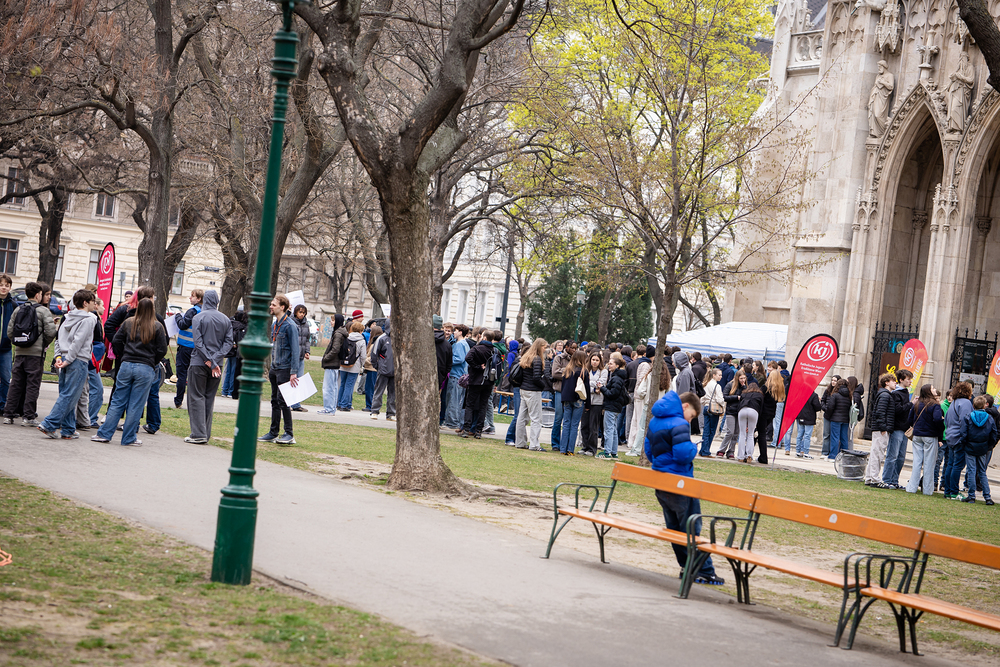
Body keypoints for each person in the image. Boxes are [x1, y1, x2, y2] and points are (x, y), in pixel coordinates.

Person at [647, 390, 724, 587]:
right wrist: (693, 448)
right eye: (691, 416)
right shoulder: (679, 424)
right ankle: (704, 570)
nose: (690, 420)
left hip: (661, 482)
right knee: (691, 527)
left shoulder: (655, 420)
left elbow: (648, 450)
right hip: (680, 483)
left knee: (674, 528)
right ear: (685, 406)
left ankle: (685, 565)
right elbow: (682, 455)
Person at [91, 298, 168, 446]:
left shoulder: (128, 323)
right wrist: (152, 361)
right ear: (152, 310)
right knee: (136, 404)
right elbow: (162, 349)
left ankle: (104, 434)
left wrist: (123, 354)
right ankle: (129, 437)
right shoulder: (157, 326)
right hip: (145, 367)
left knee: (117, 401)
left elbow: (116, 341)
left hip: (126, 364)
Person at [38, 290, 99, 439]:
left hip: (66, 358)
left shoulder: (67, 317)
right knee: (70, 395)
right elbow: (78, 342)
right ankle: (49, 424)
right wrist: (68, 360)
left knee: (68, 394)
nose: (95, 304)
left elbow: (59, 340)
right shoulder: (89, 319)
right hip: (77, 360)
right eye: (93, 301)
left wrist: (59, 357)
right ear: (85, 303)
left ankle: (68, 429)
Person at [3, 281, 56, 426]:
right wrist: (43, 343)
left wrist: (19, 343)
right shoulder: (43, 311)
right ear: (38, 295)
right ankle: (28, 417)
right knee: (32, 385)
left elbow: (10, 331)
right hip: (36, 354)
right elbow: (51, 332)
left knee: (15, 384)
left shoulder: (18, 309)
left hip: (19, 353)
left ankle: (8, 414)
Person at [185, 290, 233, 445]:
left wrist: (208, 359)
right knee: (209, 397)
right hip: (217, 364)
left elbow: (198, 342)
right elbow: (228, 343)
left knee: (196, 396)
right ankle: (205, 432)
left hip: (200, 361)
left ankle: (198, 433)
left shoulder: (198, 317)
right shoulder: (225, 319)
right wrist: (215, 360)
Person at [257, 296, 300, 445]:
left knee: (283, 401)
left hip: (285, 368)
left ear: (282, 307)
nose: (271, 306)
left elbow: (295, 350)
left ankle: (289, 433)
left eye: (273, 304)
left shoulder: (290, 325)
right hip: (275, 368)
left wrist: (293, 372)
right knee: (275, 401)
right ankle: (273, 432)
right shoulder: (276, 324)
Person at [905, 384, 944, 496]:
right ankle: (927, 490)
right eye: (932, 388)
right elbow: (937, 419)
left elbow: (910, 419)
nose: (935, 389)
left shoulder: (917, 403)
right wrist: (941, 428)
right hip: (930, 436)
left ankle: (912, 488)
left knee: (917, 462)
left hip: (917, 435)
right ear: (929, 391)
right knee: (929, 463)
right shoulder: (935, 405)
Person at [959, 395, 996, 504]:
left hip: (970, 446)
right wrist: (988, 446)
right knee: (982, 472)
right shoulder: (989, 418)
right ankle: (987, 496)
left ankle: (971, 495)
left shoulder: (968, 417)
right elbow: (993, 434)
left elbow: (963, 433)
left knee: (971, 471)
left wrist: (964, 444)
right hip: (982, 447)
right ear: (984, 406)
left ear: (973, 405)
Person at [460, 329, 496, 438]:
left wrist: (477, 367)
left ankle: (466, 429)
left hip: (475, 379)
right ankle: (479, 431)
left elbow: (468, 358)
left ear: (484, 337)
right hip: (489, 381)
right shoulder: (495, 350)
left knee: (470, 405)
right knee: (483, 406)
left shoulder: (477, 348)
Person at [881, 369, 914, 487]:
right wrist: (911, 404)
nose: (910, 381)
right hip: (897, 428)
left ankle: (894, 481)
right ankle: (886, 480)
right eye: (908, 379)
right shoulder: (896, 393)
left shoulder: (905, 392)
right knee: (892, 455)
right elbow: (898, 410)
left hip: (904, 428)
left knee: (901, 457)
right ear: (901, 380)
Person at [514, 338, 547, 451]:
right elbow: (536, 378)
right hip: (533, 390)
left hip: (524, 389)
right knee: (536, 418)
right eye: (544, 347)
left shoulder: (526, 357)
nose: (545, 349)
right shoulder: (537, 359)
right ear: (539, 347)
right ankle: (534, 444)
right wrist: (543, 386)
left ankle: (520, 442)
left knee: (521, 417)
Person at [172, 289, 204, 408]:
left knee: (182, 375)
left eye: (192, 296)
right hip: (197, 349)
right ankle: (193, 402)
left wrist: (178, 315)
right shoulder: (203, 311)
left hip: (185, 347)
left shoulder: (192, 311)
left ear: (199, 299)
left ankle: (178, 401)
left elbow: (182, 325)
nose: (190, 298)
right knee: (194, 376)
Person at [941, 381, 973, 499]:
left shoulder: (954, 402)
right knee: (957, 465)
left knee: (951, 464)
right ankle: (954, 491)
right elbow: (965, 421)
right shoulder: (966, 403)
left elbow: (947, 420)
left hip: (950, 436)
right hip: (959, 437)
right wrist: (964, 437)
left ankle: (948, 491)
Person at [865, 373, 897, 487]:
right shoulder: (885, 395)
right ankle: (874, 479)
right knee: (877, 454)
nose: (895, 383)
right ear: (886, 382)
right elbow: (880, 412)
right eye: (893, 381)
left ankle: (869, 478)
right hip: (881, 429)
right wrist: (883, 427)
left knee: (875, 453)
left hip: (880, 428)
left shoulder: (885, 395)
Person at [597, 353, 627, 460]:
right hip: (616, 407)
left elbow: (612, 393)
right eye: (608, 363)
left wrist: (602, 388)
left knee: (609, 429)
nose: (609, 365)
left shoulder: (616, 378)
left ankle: (607, 452)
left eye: (611, 364)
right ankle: (614, 452)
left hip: (612, 406)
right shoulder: (617, 377)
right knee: (613, 429)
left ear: (617, 366)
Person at [558, 350, 588, 455]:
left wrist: (563, 399)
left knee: (566, 423)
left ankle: (563, 448)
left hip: (567, 399)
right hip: (578, 399)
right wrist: (587, 403)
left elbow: (563, 386)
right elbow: (586, 388)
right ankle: (570, 449)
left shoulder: (567, 370)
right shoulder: (583, 371)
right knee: (574, 425)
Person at [579, 352, 608, 456]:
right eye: (593, 360)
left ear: (600, 361)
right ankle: (585, 446)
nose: (595, 362)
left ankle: (592, 448)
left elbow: (601, 384)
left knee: (593, 426)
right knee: (584, 425)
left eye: (597, 360)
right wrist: (593, 388)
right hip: (586, 399)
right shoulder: (586, 370)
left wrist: (590, 384)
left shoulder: (603, 371)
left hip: (597, 402)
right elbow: (583, 384)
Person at [549, 341, 576, 450]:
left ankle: (565, 443)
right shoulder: (559, 358)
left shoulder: (576, 359)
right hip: (560, 390)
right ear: (567, 347)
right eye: (572, 348)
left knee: (568, 419)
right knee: (558, 418)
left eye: (575, 348)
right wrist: (570, 372)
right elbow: (555, 373)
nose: (574, 350)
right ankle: (555, 443)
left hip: (572, 391)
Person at [318, 313, 347, 415]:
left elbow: (335, 349)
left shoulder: (338, 334)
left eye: (333, 320)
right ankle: (331, 408)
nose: (331, 322)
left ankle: (329, 408)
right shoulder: (340, 332)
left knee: (328, 388)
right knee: (333, 387)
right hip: (335, 363)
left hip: (332, 363)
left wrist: (326, 358)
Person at [369, 319, 396, 421]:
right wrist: (378, 366)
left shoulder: (399, 339)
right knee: (379, 391)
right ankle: (374, 411)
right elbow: (374, 354)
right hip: (383, 370)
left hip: (395, 371)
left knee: (393, 393)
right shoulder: (382, 338)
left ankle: (391, 413)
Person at [443, 324, 469, 428]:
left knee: (453, 399)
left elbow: (459, 358)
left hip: (456, 375)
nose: (454, 332)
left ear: (461, 332)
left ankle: (451, 422)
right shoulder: (465, 344)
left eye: (456, 331)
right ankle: (455, 421)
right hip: (462, 376)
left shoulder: (459, 344)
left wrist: (447, 361)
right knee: (458, 400)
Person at [338, 320, 367, 411]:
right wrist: (361, 365)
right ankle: (344, 404)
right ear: (361, 331)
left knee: (342, 384)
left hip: (343, 364)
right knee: (349, 385)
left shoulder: (346, 337)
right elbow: (363, 356)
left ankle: (339, 403)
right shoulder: (361, 341)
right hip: (354, 365)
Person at [288, 305, 312, 413]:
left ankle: (296, 404)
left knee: (299, 380)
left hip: (301, 356)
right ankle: (287, 402)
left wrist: (307, 351)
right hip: (292, 356)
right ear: (296, 312)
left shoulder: (306, 324)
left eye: (304, 312)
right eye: (300, 312)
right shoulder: (291, 322)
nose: (302, 314)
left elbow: (307, 339)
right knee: (289, 380)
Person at [735, 381, 763, 464]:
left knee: (742, 434)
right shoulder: (760, 395)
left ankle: (740, 456)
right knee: (750, 434)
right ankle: (749, 455)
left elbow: (739, 403)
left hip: (742, 410)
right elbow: (761, 408)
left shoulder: (744, 394)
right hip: (754, 411)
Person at [699, 368, 725, 457]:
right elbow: (719, 399)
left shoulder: (706, 384)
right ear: (714, 375)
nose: (721, 377)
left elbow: (702, 398)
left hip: (706, 407)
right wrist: (723, 404)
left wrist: (706, 403)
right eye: (719, 375)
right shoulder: (717, 386)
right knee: (712, 431)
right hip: (714, 409)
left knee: (706, 430)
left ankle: (703, 450)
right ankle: (706, 451)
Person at [223, 309, 247, 399]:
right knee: (234, 370)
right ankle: (231, 390)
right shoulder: (241, 326)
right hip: (236, 350)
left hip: (229, 349)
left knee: (228, 370)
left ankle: (225, 390)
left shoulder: (231, 323)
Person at [0, 274, 14, 415]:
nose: (3, 288)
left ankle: (3, 405)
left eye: (6, 285)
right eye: (1, 285)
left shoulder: (13, 305)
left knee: (5, 378)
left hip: (6, 347)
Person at [794, 389, 822, 458]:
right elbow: (817, 407)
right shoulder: (813, 395)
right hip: (809, 417)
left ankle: (798, 451)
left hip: (801, 416)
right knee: (807, 436)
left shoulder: (801, 394)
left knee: (800, 435)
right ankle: (806, 452)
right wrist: (819, 401)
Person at [820, 374, 842, 456]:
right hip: (827, 415)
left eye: (835, 381)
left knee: (834, 436)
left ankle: (831, 452)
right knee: (826, 435)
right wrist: (824, 408)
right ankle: (825, 452)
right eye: (832, 380)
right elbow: (823, 400)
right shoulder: (827, 390)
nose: (833, 382)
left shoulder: (839, 392)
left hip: (835, 416)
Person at [362, 323, 382, 412]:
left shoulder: (375, 344)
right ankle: (369, 404)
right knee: (369, 387)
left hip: (372, 368)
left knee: (370, 387)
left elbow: (374, 357)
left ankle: (370, 405)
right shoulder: (374, 343)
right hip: (370, 368)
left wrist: (364, 359)